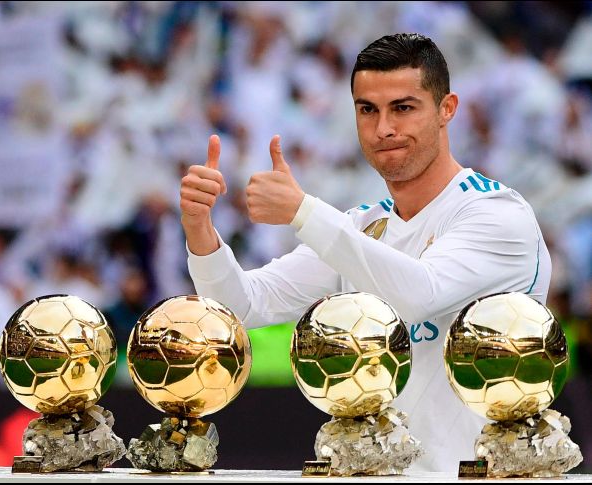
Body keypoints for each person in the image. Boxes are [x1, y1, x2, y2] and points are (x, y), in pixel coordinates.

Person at [179, 33, 550, 472]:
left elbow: (418, 296)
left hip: (473, 477)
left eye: (404, 108)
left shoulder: (496, 213)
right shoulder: (361, 226)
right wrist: (199, 227)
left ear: (447, 109)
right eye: (367, 110)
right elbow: (242, 306)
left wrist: (303, 211)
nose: (384, 129)